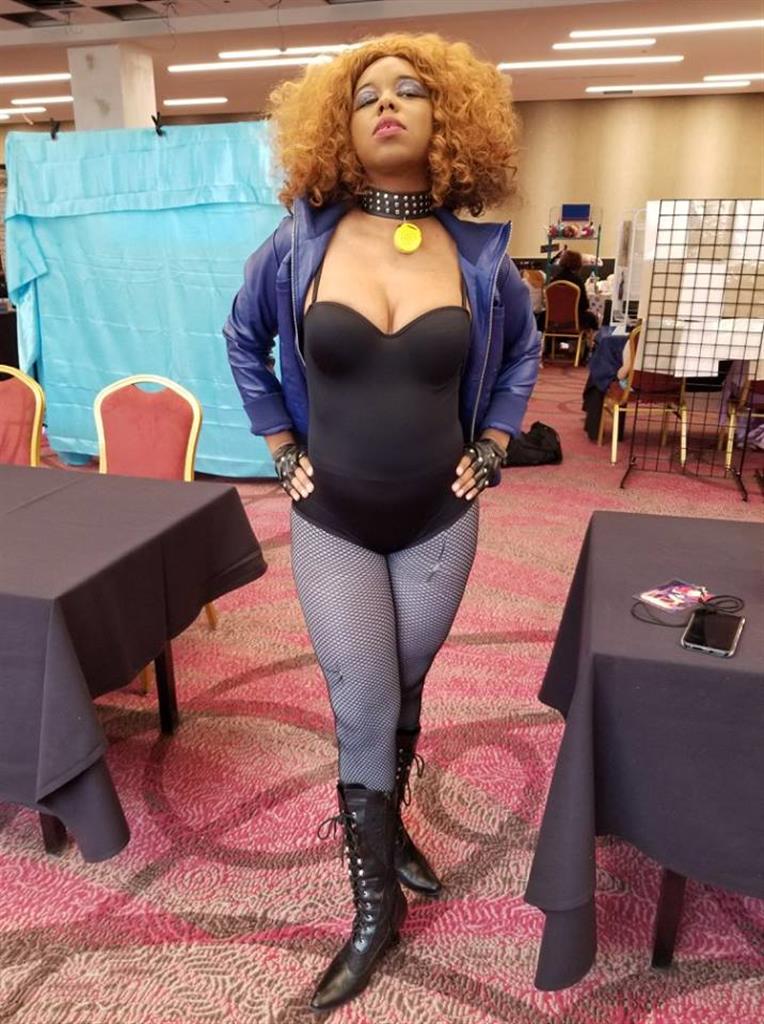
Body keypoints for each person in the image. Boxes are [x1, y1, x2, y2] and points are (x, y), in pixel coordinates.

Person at [224, 32, 539, 1013]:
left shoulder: (481, 258)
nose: (387, 105)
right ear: (339, 128)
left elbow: (522, 353)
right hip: (334, 514)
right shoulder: (298, 245)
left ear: (449, 122)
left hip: (441, 513)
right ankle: (373, 911)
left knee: (402, 684)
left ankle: (388, 823)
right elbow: (242, 337)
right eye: (366, 97)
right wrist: (279, 443)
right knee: (362, 699)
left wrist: (495, 441)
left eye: (409, 91)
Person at [549, 248, 599, 357]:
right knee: (593, 318)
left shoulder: (554, 280)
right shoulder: (577, 281)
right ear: (578, 263)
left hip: (552, 321)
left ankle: (551, 348)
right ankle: (588, 348)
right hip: (574, 321)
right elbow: (584, 305)